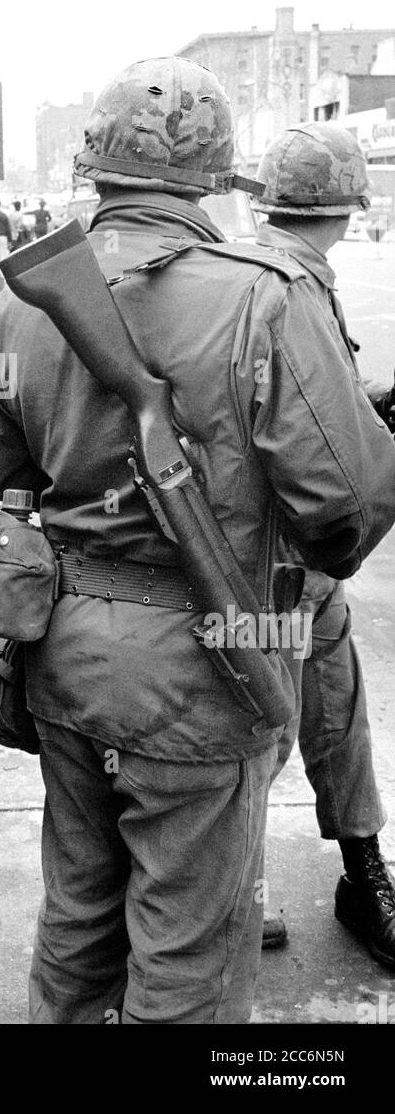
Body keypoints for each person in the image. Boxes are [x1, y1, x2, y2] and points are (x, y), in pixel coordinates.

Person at [0, 56, 395, 1024]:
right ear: (215, 169)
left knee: (78, 916)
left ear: (96, 161)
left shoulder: (21, 297)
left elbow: (2, 470)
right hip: (210, 664)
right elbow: (341, 513)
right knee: (190, 956)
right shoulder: (266, 292)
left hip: (66, 658)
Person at [254, 122, 395, 966]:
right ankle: (238, 887)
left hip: (297, 565)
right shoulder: (283, 285)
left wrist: (364, 398)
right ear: (348, 207)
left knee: (337, 716)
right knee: (263, 732)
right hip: (279, 564)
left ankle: (363, 870)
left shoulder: (291, 274)